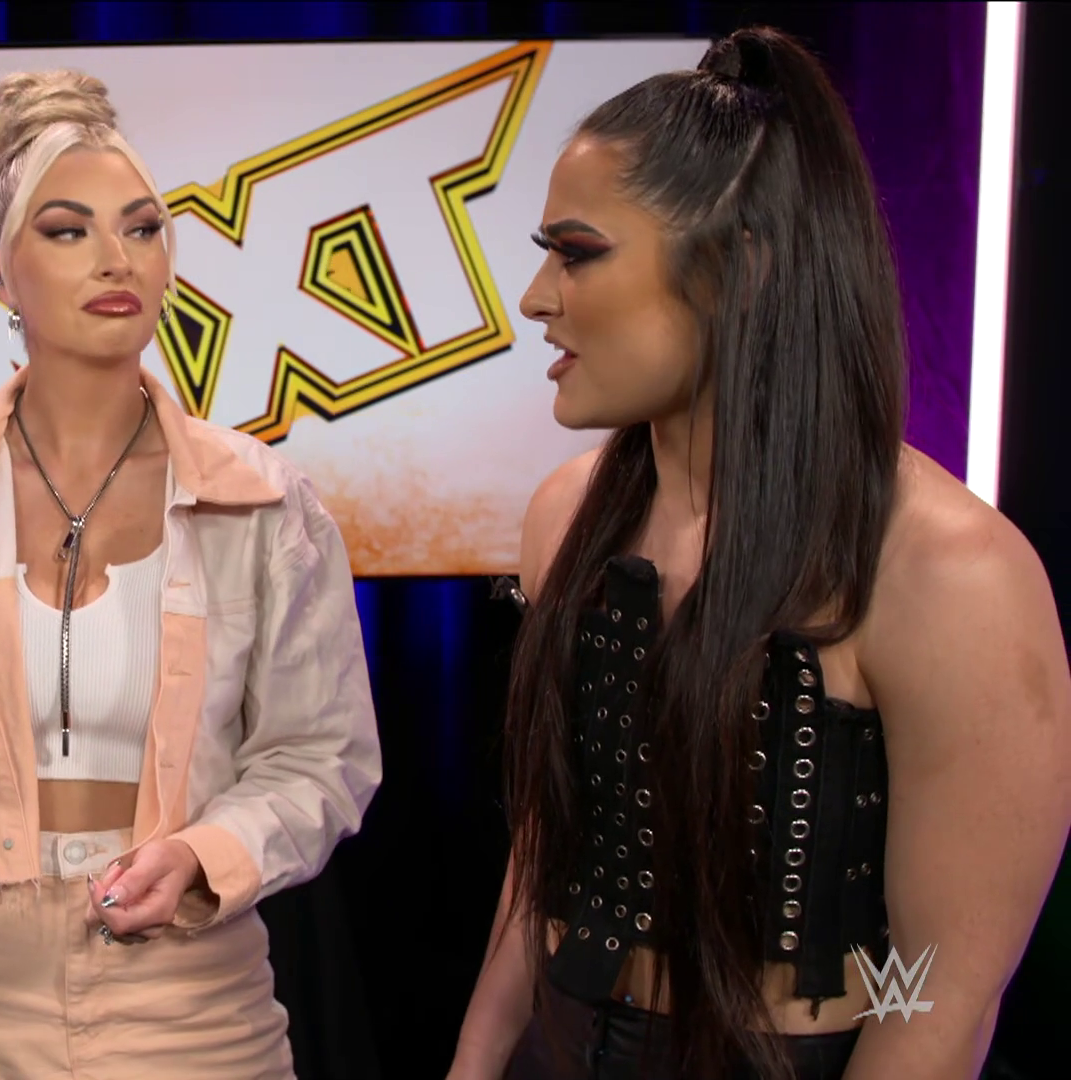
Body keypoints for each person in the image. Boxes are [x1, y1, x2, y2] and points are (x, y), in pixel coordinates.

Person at [446, 25, 1071, 1080]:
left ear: (740, 267)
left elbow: (945, 989)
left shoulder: (948, 571)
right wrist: (474, 1059)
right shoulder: (567, 516)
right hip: (559, 1040)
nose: (538, 297)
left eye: (578, 252)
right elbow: (544, 857)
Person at [0, 70, 382, 1078]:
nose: (115, 258)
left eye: (143, 229)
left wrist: (201, 857)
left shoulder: (265, 504)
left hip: (192, 993)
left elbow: (323, 758)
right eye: (66, 230)